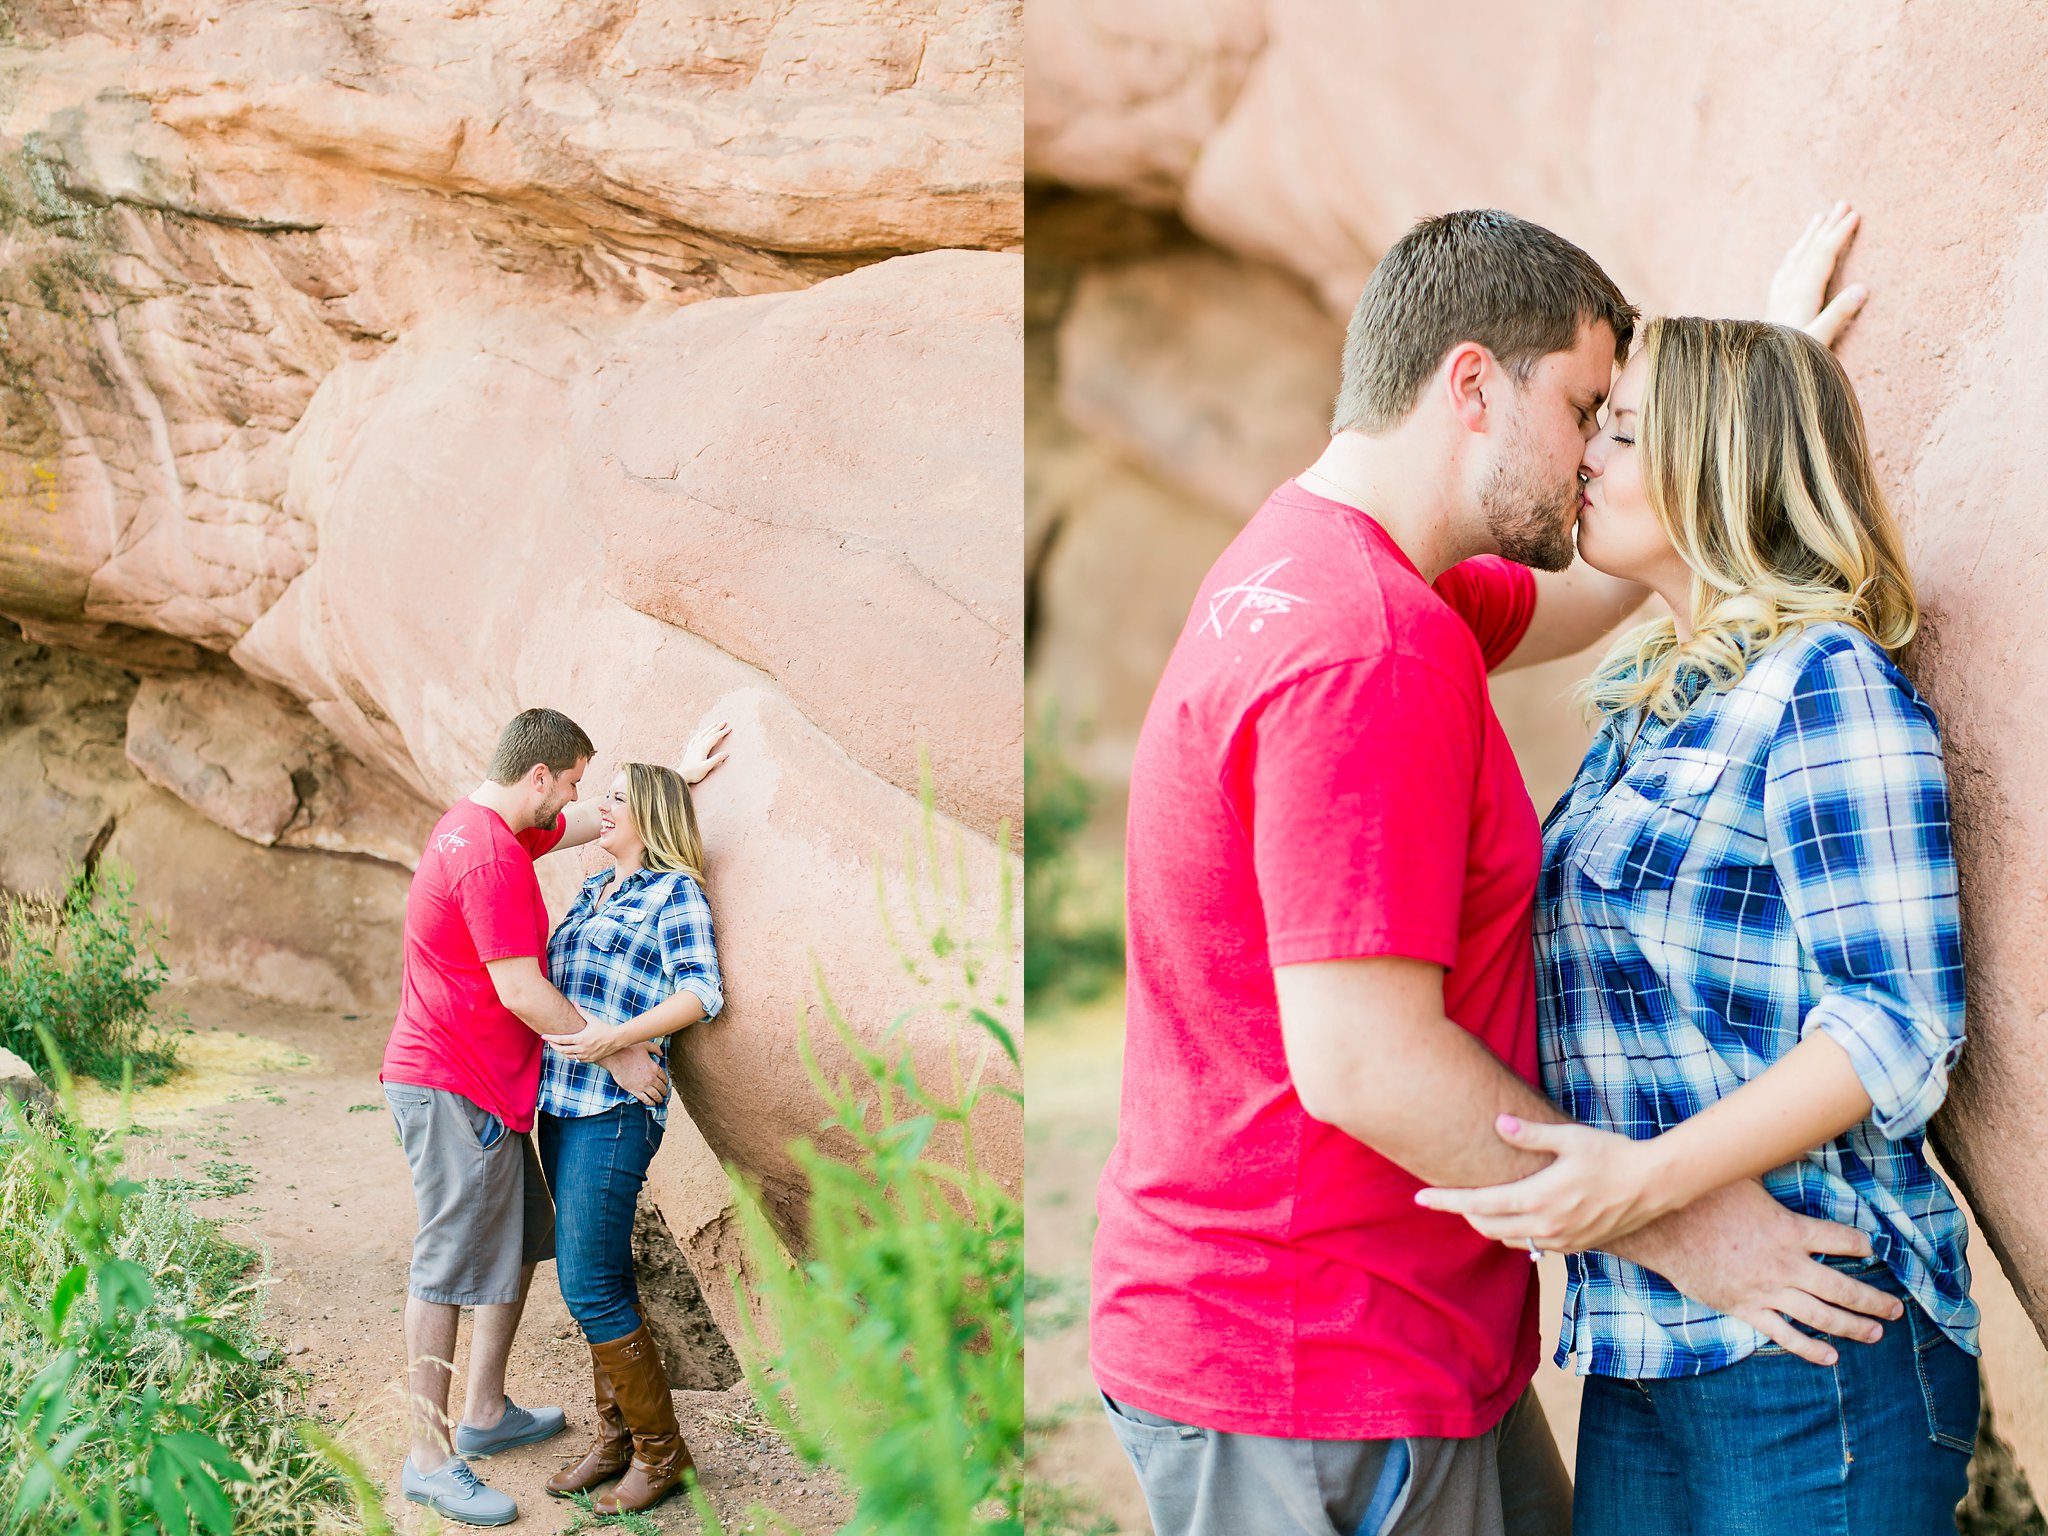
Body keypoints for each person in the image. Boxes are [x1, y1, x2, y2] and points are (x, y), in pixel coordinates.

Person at [1089, 207, 1902, 1536]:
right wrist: (1675, 1220)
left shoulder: (1330, 569)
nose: (1596, 453)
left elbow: (1601, 587)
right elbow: (1365, 1061)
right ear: (1474, 381)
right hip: (1316, 1368)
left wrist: (1739, 422)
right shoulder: (1371, 648)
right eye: (1588, 406)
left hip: (1360, 1333)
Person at [1415, 314, 1978, 1534]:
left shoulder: (1822, 686)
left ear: (1717, 460)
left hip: (1810, 1330)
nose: (1586, 462)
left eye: (1621, 433)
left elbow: (1893, 1022)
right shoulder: (1653, 707)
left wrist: (1644, 1181)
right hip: (1644, 1335)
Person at [380, 708, 721, 1526]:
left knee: (529, 1246)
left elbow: (581, 827)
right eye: (574, 783)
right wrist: (616, 1052)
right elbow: (522, 990)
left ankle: (488, 1413)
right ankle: (430, 1456)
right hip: (455, 1083)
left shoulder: (489, 831)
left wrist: (674, 778)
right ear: (539, 776)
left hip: (508, 1095)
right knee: (451, 1261)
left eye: (609, 797)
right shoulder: (492, 858)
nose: (584, 803)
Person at [529, 762, 724, 1515]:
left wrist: (622, 1038)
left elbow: (702, 988)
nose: (597, 808)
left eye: (614, 798)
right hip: (560, 1102)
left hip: (613, 1111)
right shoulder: (593, 890)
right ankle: (616, 1440)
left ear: (648, 814)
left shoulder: (675, 892)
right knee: (600, 1277)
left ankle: (662, 1452)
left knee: (585, 1283)